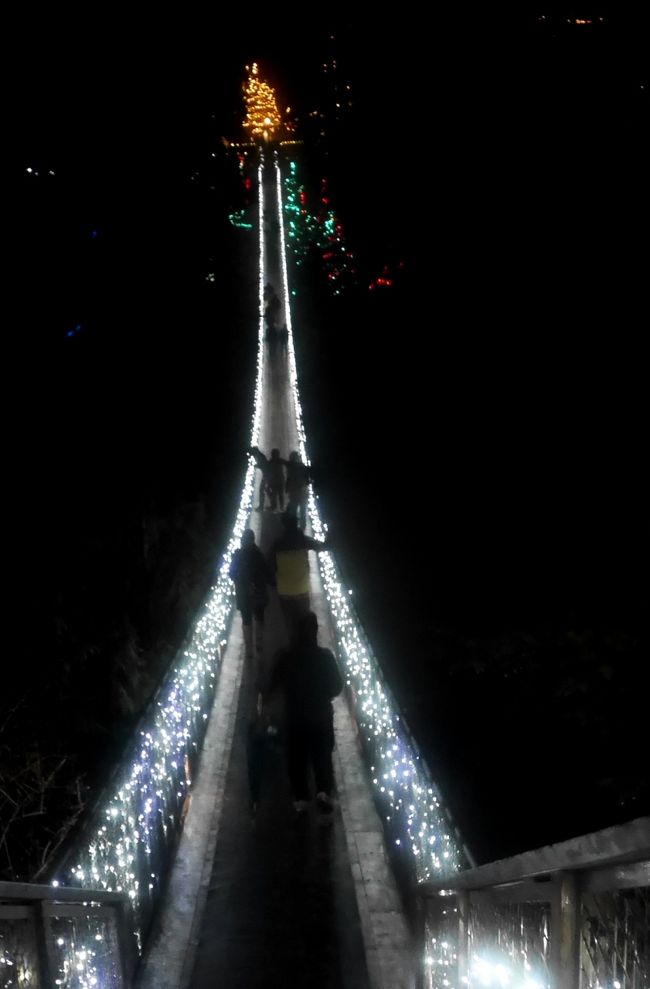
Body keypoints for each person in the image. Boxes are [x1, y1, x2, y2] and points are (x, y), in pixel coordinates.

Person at [270, 611, 343, 814]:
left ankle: (301, 798)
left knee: (297, 759)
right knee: (322, 756)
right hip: (321, 717)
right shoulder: (326, 657)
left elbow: (272, 684)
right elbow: (337, 687)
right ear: (316, 631)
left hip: (295, 719)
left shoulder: (285, 658)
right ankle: (323, 793)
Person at [269, 512, 330, 640]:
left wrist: (274, 583)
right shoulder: (303, 540)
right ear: (296, 524)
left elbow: (270, 566)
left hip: (284, 590)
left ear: (283, 525)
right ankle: (304, 644)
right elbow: (322, 546)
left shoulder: (277, 544)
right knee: (303, 620)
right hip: (302, 589)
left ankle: (292, 644)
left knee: (288, 622)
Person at [229, 529, 274, 666]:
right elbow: (267, 574)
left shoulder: (237, 555)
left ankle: (248, 649)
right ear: (253, 540)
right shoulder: (258, 555)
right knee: (259, 618)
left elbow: (231, 573)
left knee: (246, 620)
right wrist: (272, 582)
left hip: (243, 594)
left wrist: (240, 581)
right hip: (258, 593)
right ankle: (259, 644)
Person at [248, 446, 286, 512]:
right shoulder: (270, 459)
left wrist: (257, 466)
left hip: (270, 477)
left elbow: (265, 466)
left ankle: (270, 506)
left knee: (271, 491)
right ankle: (275, 506)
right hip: (274, 478)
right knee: (275, 492)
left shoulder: (262, 457)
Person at [283, 450, 310, 530]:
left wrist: (287, 488)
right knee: (300, 510)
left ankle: (295, 527)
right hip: (300, 491)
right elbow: (307, 479)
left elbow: (289, 478)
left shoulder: (291, 467)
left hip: (297, 491)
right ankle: (301, 527)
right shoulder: (301, 466)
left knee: (295, 510)